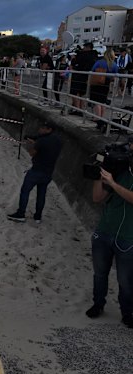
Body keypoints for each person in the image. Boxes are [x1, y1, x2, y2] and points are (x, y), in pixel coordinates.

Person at [86, 137, 133, 328]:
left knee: (126, 280)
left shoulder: (118, 178)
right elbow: (97, 197)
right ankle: (98, 304)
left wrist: (113, 184)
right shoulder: (119, 172)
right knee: (99, 274)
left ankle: (127, 312)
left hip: (128, 237)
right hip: (104, 231)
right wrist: (101, 176)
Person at [7, 121, 63, 223]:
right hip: (49, 172)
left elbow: (32, 153)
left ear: (49, 130)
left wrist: (34, 145)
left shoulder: (42, 141)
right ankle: (38, 216)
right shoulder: (58, 140)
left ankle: (21, 214)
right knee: (41, 194)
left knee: (25, 191)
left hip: (36, 170)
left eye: (43, 128)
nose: (40, 129)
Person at [90, 49, 119, 128]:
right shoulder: (114, 64)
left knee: (96, 100)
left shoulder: (99, 62)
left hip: (97, 82)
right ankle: (101, 117)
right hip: (107, 83)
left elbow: (92, 70)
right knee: (103, 101)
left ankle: (97, 117)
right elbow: (116, 74)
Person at [69, 42, 97, 116]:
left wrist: (73, 59)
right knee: (81, 94)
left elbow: (76, 63)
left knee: (74, 93)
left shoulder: (83, 55)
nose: (83, 48)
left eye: (84, 47)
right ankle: (81, 109)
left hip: (79, 75)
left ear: (88, 47)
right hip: (87, 76)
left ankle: (78, 110)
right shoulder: (94, 55)